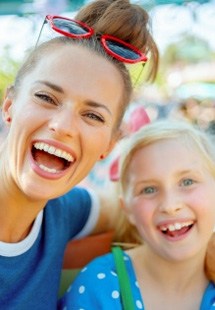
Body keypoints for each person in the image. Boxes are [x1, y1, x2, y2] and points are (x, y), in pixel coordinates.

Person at [0, 0, 159, 308]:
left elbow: (130, 206)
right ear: (9, 106)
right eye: (46, 97)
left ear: (109, 145)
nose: (63, 126)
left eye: (93, 116)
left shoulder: (61, 214)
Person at [60, 119, 215, 309]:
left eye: (187, 182)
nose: (170, 205)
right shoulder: (101, 286)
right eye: (149, 189)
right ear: (128, 209)